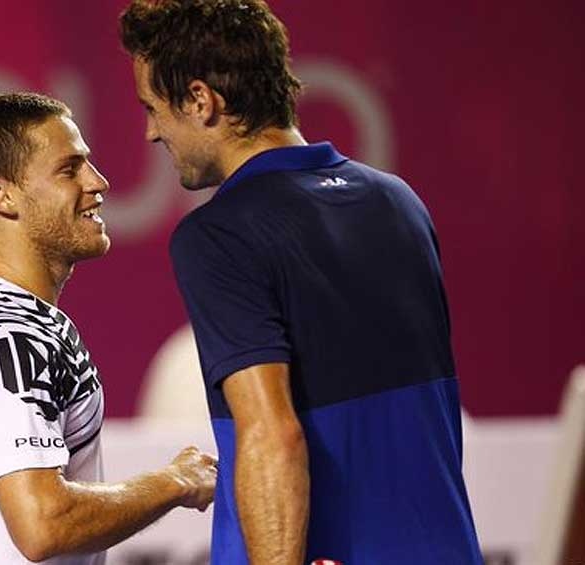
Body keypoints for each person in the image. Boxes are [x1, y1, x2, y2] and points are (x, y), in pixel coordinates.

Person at [119, 1, 483, 564]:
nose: (149, 133)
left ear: (200, 100)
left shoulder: (218, 235)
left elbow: (272, 435)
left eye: (153, 108)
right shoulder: (400, 202)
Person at [0, 92, 217, 565]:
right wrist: (176, 481)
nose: (98, 183)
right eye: (69, 169)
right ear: (1, 196)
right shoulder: (9, 339)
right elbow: (43, 523)